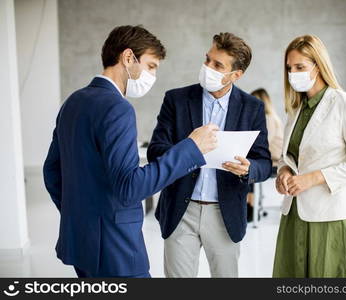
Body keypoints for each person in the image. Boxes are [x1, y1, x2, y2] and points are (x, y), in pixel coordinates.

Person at [43, 25, 218, 278]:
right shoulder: (117, 108)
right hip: (116, 250)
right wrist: (191, 148)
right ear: (128, 58)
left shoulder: (73, 102)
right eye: (151, 66)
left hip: (80, 242)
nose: (153, 76)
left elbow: (52, 173)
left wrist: (82, 216)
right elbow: (130, 187)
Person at [147, 32, 272, 278]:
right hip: (181, 210)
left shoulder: (252, 107)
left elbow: (264, 163)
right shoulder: (176, 100)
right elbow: (155, 151)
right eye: (207, 60)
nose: (207, 68)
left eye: (217, 65)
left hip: (225, 214)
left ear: (236, 75)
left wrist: (248, 169)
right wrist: (189, 148)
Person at [273, 35, 346, 277]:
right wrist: (284, 172)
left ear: (318, 66)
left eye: (300, 67)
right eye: (289, 68)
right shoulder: (295, 109)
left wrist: (314, 178)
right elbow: (290, 158)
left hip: (331, 216)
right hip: (295, 214)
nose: (293, 73)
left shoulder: (344, 104)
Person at [247, 88, 284, 222]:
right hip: (273, 160)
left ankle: (251, 206)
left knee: (248, 168)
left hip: (275, 163)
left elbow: (263, 144)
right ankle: (252, 204)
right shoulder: (272, 118)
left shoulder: (268, 119)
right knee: (248, 164)